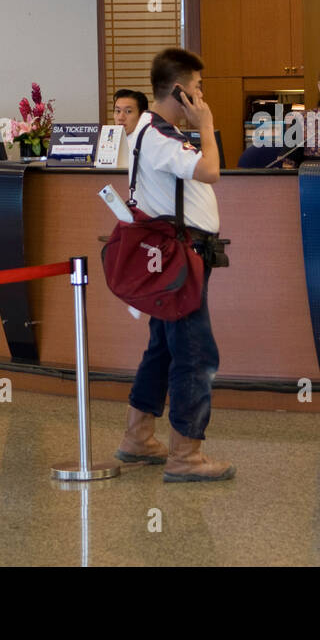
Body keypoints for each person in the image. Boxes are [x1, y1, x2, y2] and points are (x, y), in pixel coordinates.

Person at [114, 48, 234, 482]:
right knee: (195, 354)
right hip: (182, 261)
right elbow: (211, 171)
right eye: (198, 87)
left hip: (177, 258)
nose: (202, 96)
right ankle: (186, 457)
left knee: (163, 349)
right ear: (180, 91)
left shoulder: (149, 129)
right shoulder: (161, 138)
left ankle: (137, 437)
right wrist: (206, 126)